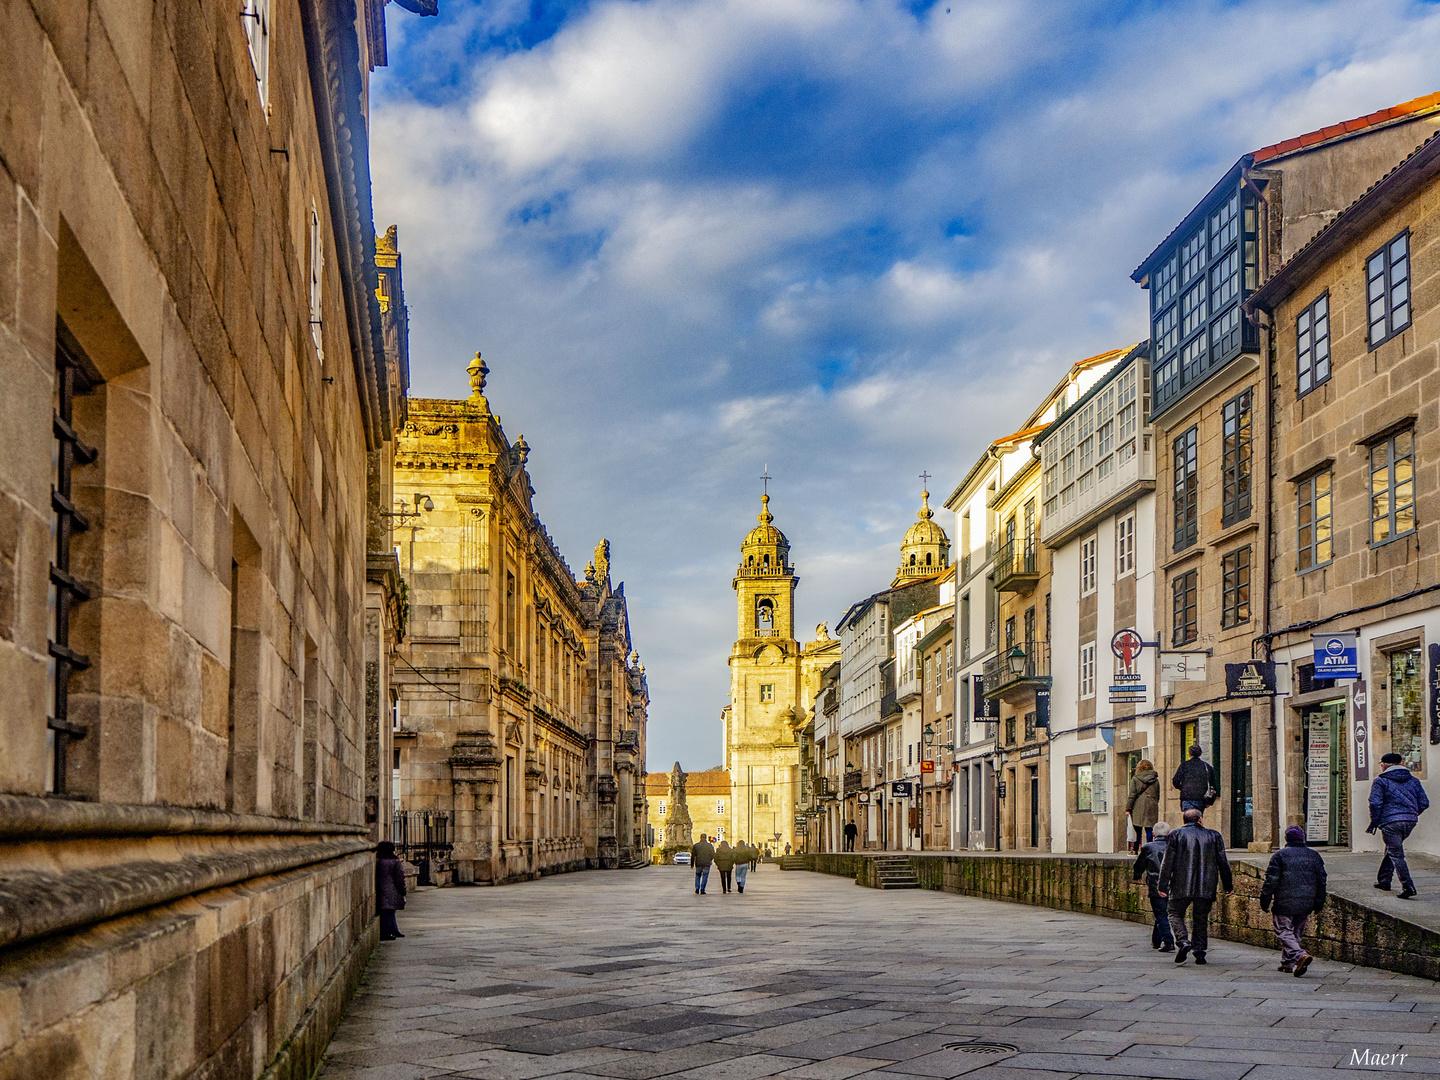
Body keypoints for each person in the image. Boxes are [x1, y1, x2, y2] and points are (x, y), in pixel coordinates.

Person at [1158, 807, 1232, 965]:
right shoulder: (1214, 835)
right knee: (1200, 919)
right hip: (1206, 885)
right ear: (1200, 820)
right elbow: (1223, 863)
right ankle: (1199, 952)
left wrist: (1162, 885)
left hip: (1180, 884)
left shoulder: (1176, 835)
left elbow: (1167, 862)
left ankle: (1183, 941)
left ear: (1184, 821)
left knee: (1174, 913)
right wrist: (1228, 885)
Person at [1260, 825, 1327, 976]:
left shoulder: (1280, 855)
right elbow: (1322, 881)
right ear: (1303, 838)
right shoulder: (1314, 856)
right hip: (1306, 902)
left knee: (1284, 930)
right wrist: (1319, 901)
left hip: (1285, 901)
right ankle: (1287, 964)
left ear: (1286, 839)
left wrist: (1265, 899)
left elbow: (1270, 881)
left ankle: (1299, 955)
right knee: (1295, 932)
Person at [1369, 751, 1430, 899]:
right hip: (1410, 821)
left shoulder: (1381, 781)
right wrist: (1411, 814)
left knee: (1397, 854)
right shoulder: (1414, 780)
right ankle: (1384, 880)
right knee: (1392, 848)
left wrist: (1376, 820)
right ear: (1401, 764)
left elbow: (1375, 803)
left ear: (1384, 765)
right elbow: (1424, 803)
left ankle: (1408, 886)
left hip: (1390, 821)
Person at [1131, 820, 1175, 952]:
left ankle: (1168, 941)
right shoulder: (1174, 846)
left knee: (1161, 913)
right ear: (1168, 834)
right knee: (1162, 913)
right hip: (1173, 885)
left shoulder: (1148, 847)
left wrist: (1137, 875)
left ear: (1154, 835)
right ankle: (1156, 940)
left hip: (1156, 885)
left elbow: (1139, 864)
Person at [1127, 759, 1161, 853]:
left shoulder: (1135, 779)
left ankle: (1135, 849)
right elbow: (1157, 795)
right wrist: (1153, 802)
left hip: (1138, 805)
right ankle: (1150, 849)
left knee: (1137, 829)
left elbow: (1132, 794)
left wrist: (1128, 807)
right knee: (1149, 828)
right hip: (1152, 805)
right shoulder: (1155, 779)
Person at [375, 841, 407, 941]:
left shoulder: (378, 860)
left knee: (388, 910)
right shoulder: (395, 861)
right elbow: (399, 877)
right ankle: (387, 932)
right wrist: (403, 890)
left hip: (380, 888)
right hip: (392, 888)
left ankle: (394, 929)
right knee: (389, 911)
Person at [1172, 744, 1217, 814]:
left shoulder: (1184, 765)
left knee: (1189, 818)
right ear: (1200, 754)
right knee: (1198, 819)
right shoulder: (1206, 766)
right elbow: (1212, 784)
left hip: (1187, 797)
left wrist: (1182, 788)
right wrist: (1210, 801)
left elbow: (1175, 781)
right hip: (1201, 798)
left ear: (1189, 754)